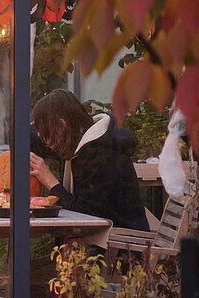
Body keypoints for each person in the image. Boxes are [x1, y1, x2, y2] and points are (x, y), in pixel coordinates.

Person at [28, 89, 149, 232]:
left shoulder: (101, 155)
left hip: (120, 244)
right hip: (100, 239)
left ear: (61, 126)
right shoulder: (78, 144)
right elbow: (35, 140)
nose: (45, 141)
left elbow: (86, 215)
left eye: (47, 135)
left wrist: (50, 181)